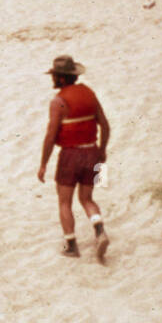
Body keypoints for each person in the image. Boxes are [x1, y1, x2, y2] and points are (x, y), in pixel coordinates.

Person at [37, 55, 110, 260]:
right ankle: (99, 230)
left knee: (64, 202)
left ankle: (71, 245)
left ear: (61, 78)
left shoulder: (58, 102)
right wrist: (102, 150)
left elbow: (51, 136)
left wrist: (43, 164)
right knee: (87, 198)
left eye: (54, 76)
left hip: (71, 155)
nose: (52, 79)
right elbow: (105, 125)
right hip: (92, 152)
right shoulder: (89, 94)